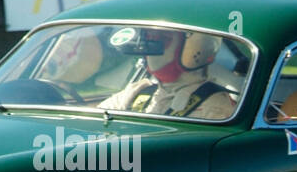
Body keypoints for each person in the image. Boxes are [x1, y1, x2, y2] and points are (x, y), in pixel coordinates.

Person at [99, 27, 236, 120]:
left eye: (163, 39)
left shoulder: (215, 106)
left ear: (196, 48)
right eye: (149, 39)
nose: (150, 49)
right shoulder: (139, 91)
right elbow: (93, 120)